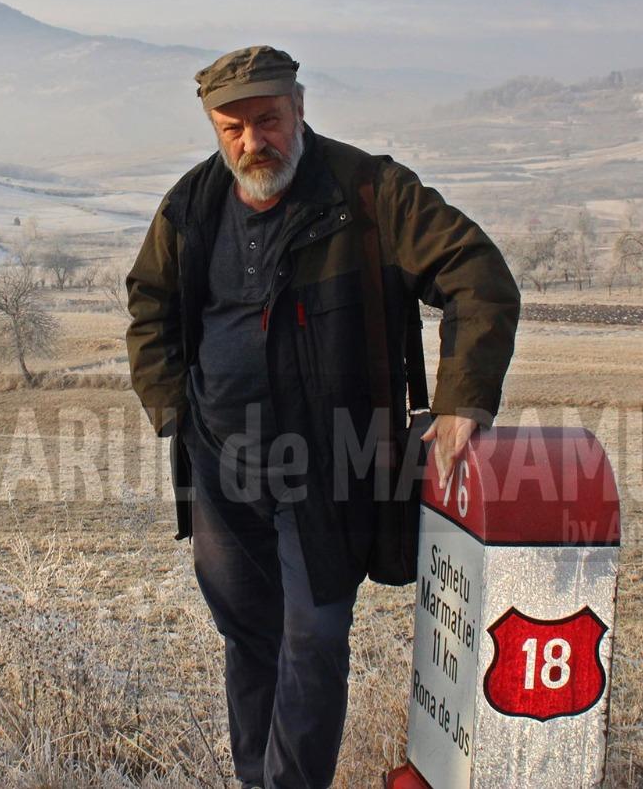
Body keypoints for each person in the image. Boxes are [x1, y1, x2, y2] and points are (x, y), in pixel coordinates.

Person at [124, 46, 521, 789]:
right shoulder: (191, 205)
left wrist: (463, 399)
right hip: (221, 466)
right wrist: (173, 408)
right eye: (232, 128)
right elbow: (149, 303)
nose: (253, 142)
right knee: (249, 637)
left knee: (313, 639)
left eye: (267, 120)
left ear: (299, 108)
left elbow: (478, 274)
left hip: (330, 469)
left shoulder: (369, 193)